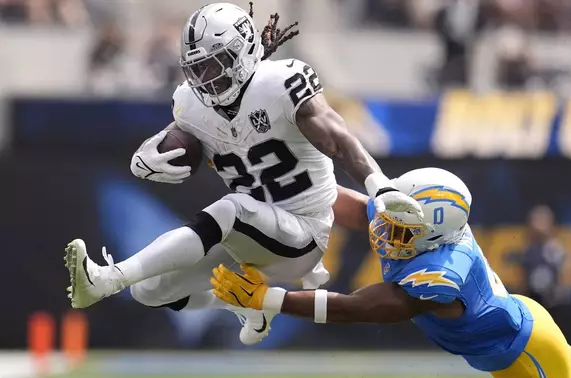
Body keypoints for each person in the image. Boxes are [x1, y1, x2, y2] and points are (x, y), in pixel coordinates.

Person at [65, 2, 422, 346]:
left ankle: (108, 279)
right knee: (150, 291)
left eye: (215, 64)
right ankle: (246, 303)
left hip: (302, 236)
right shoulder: (190, 104)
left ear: (243, 52)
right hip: (248, 234)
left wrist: (381, 187)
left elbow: (339, 139)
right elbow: (175, 139)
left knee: (232, 208)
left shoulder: (281, 83)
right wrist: (146, 155)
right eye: (198, 68)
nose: (206, 79)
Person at [211, 167, 571, 378]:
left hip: (525, 354)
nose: (383, 234)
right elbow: (346, 205)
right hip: (524, 326)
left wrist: (271, 299)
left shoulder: (442, 272)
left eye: (398, 230)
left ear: (432, 236)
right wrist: (266, 179)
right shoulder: (416, 223)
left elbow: (359, 308)